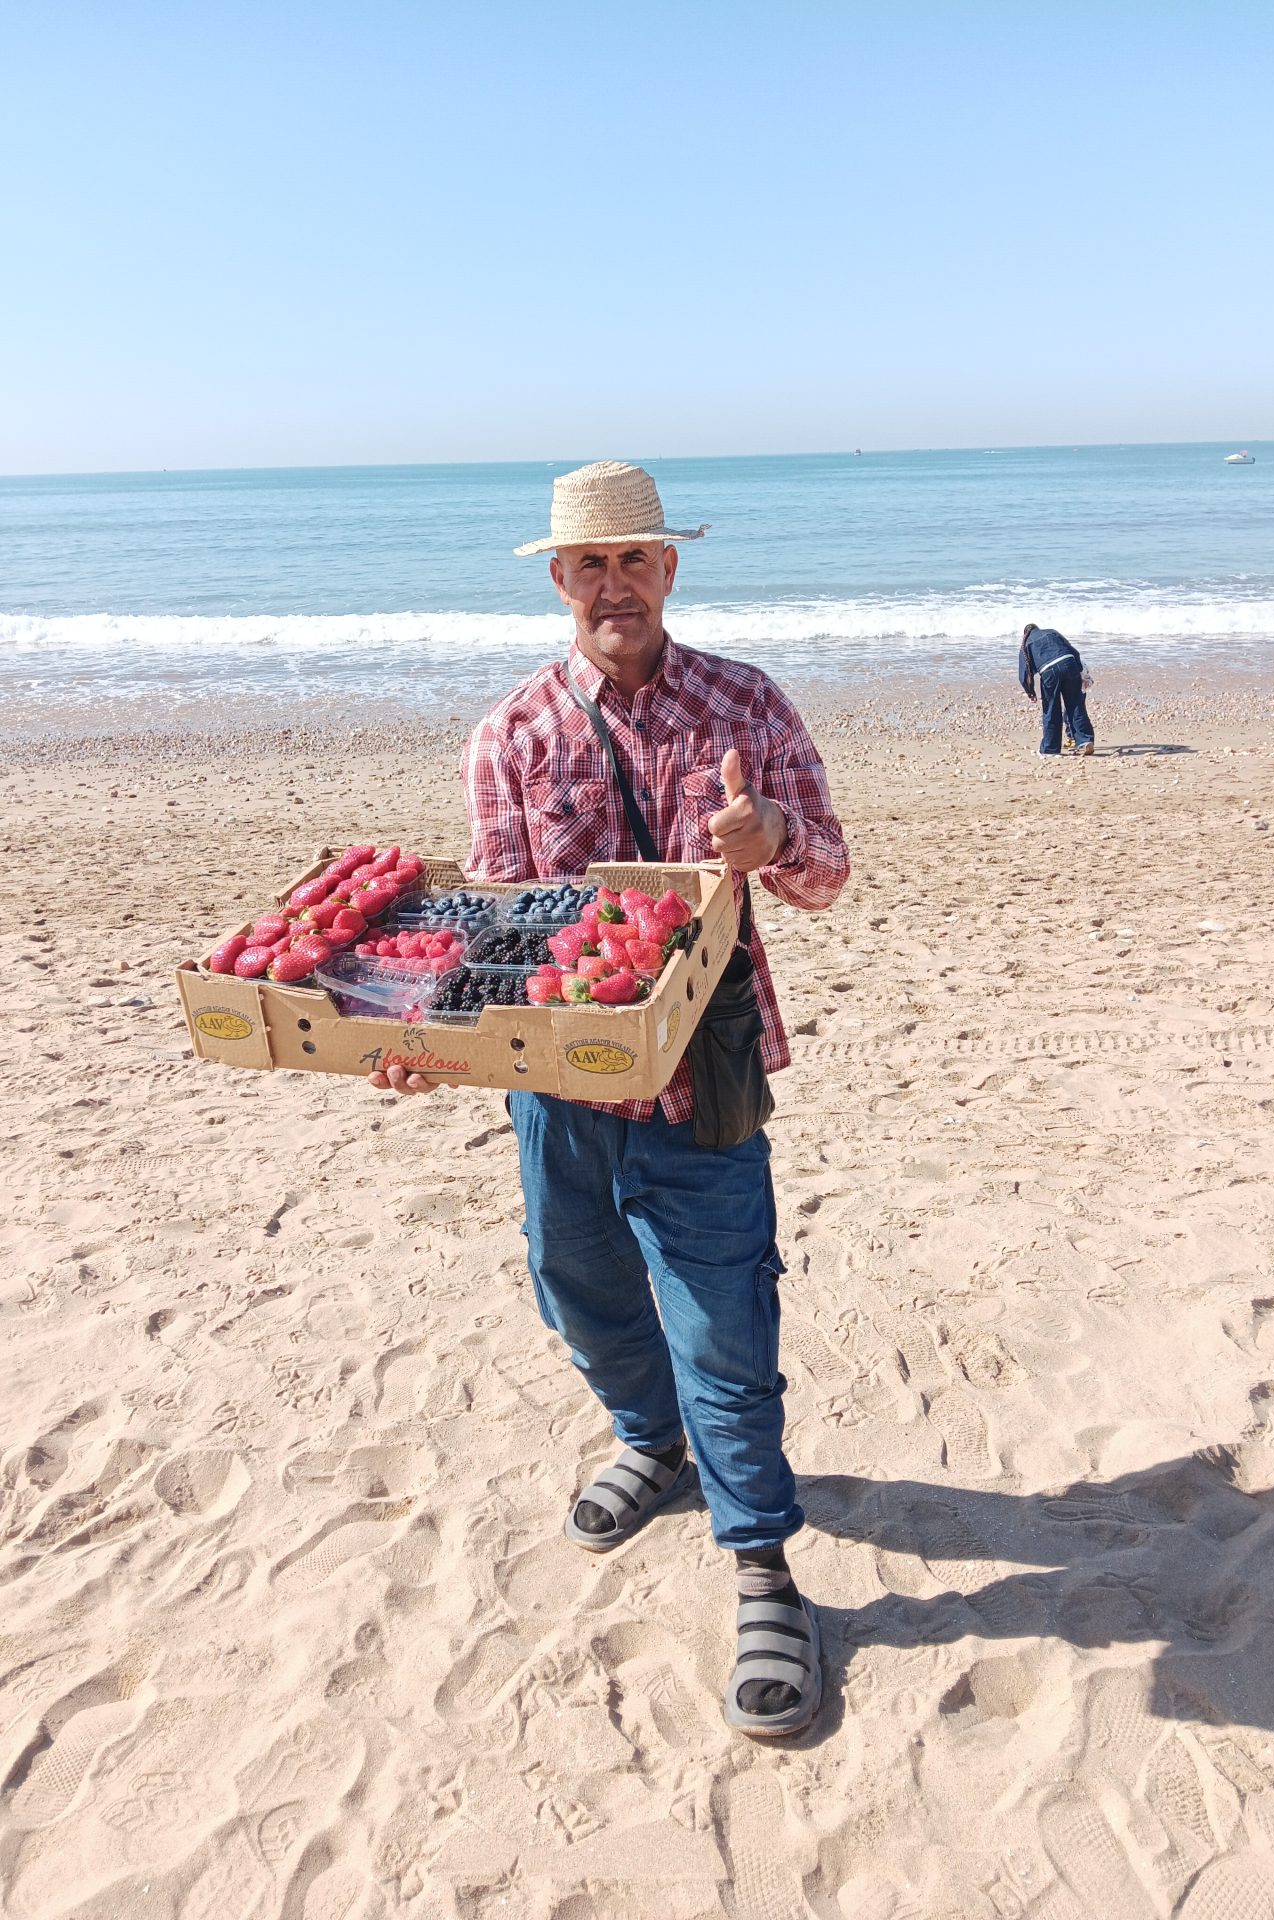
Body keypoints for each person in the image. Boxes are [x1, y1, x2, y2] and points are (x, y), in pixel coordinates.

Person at [370, 460, 850, 1736]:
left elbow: (829, 872)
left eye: (633, 559)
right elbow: (493, 929)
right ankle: (649, 1438)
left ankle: (760, 1566)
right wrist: (422, 1039)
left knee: (722, 1319)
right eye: (587, 564)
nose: (611, 585)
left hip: (704, 1073)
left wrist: (773, 848)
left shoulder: (745, 705)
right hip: (556, 1086)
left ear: (669, 570)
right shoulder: (512, 733)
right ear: (557, 582)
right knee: (570, 1280)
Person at [1019, 622, 1095, 756]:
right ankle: (1085, 740)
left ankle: (1050, 748)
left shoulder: (1027, 643)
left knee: (1051, 709)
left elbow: (1024, 673)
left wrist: (1030, 691)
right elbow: (1073, 651)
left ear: (1025, 633)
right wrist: (1080, 671)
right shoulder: (1052, 632)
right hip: (1070, 663)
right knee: (1076, 704)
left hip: (1049, 671)